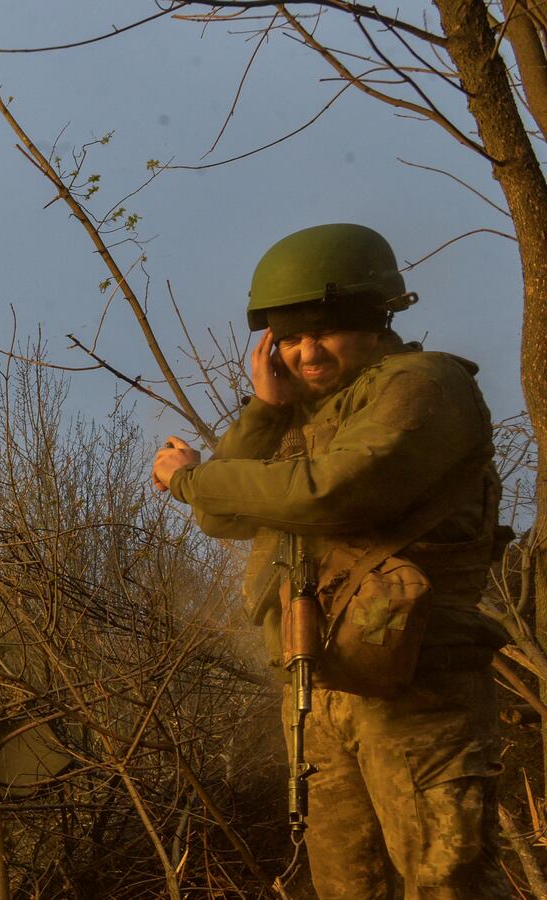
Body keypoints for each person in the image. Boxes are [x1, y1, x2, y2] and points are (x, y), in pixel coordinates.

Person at [150, 223, 510, 898]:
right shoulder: (304, 415)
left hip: (419, 683)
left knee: (446, 880)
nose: (306, 351)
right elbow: (222, 513)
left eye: (325, 330)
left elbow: (331, 493)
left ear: (376, 320)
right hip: (323, 684)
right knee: (347, 887)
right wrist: (264, 409)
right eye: (288, 337)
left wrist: (193, 478)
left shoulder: (422, 385)